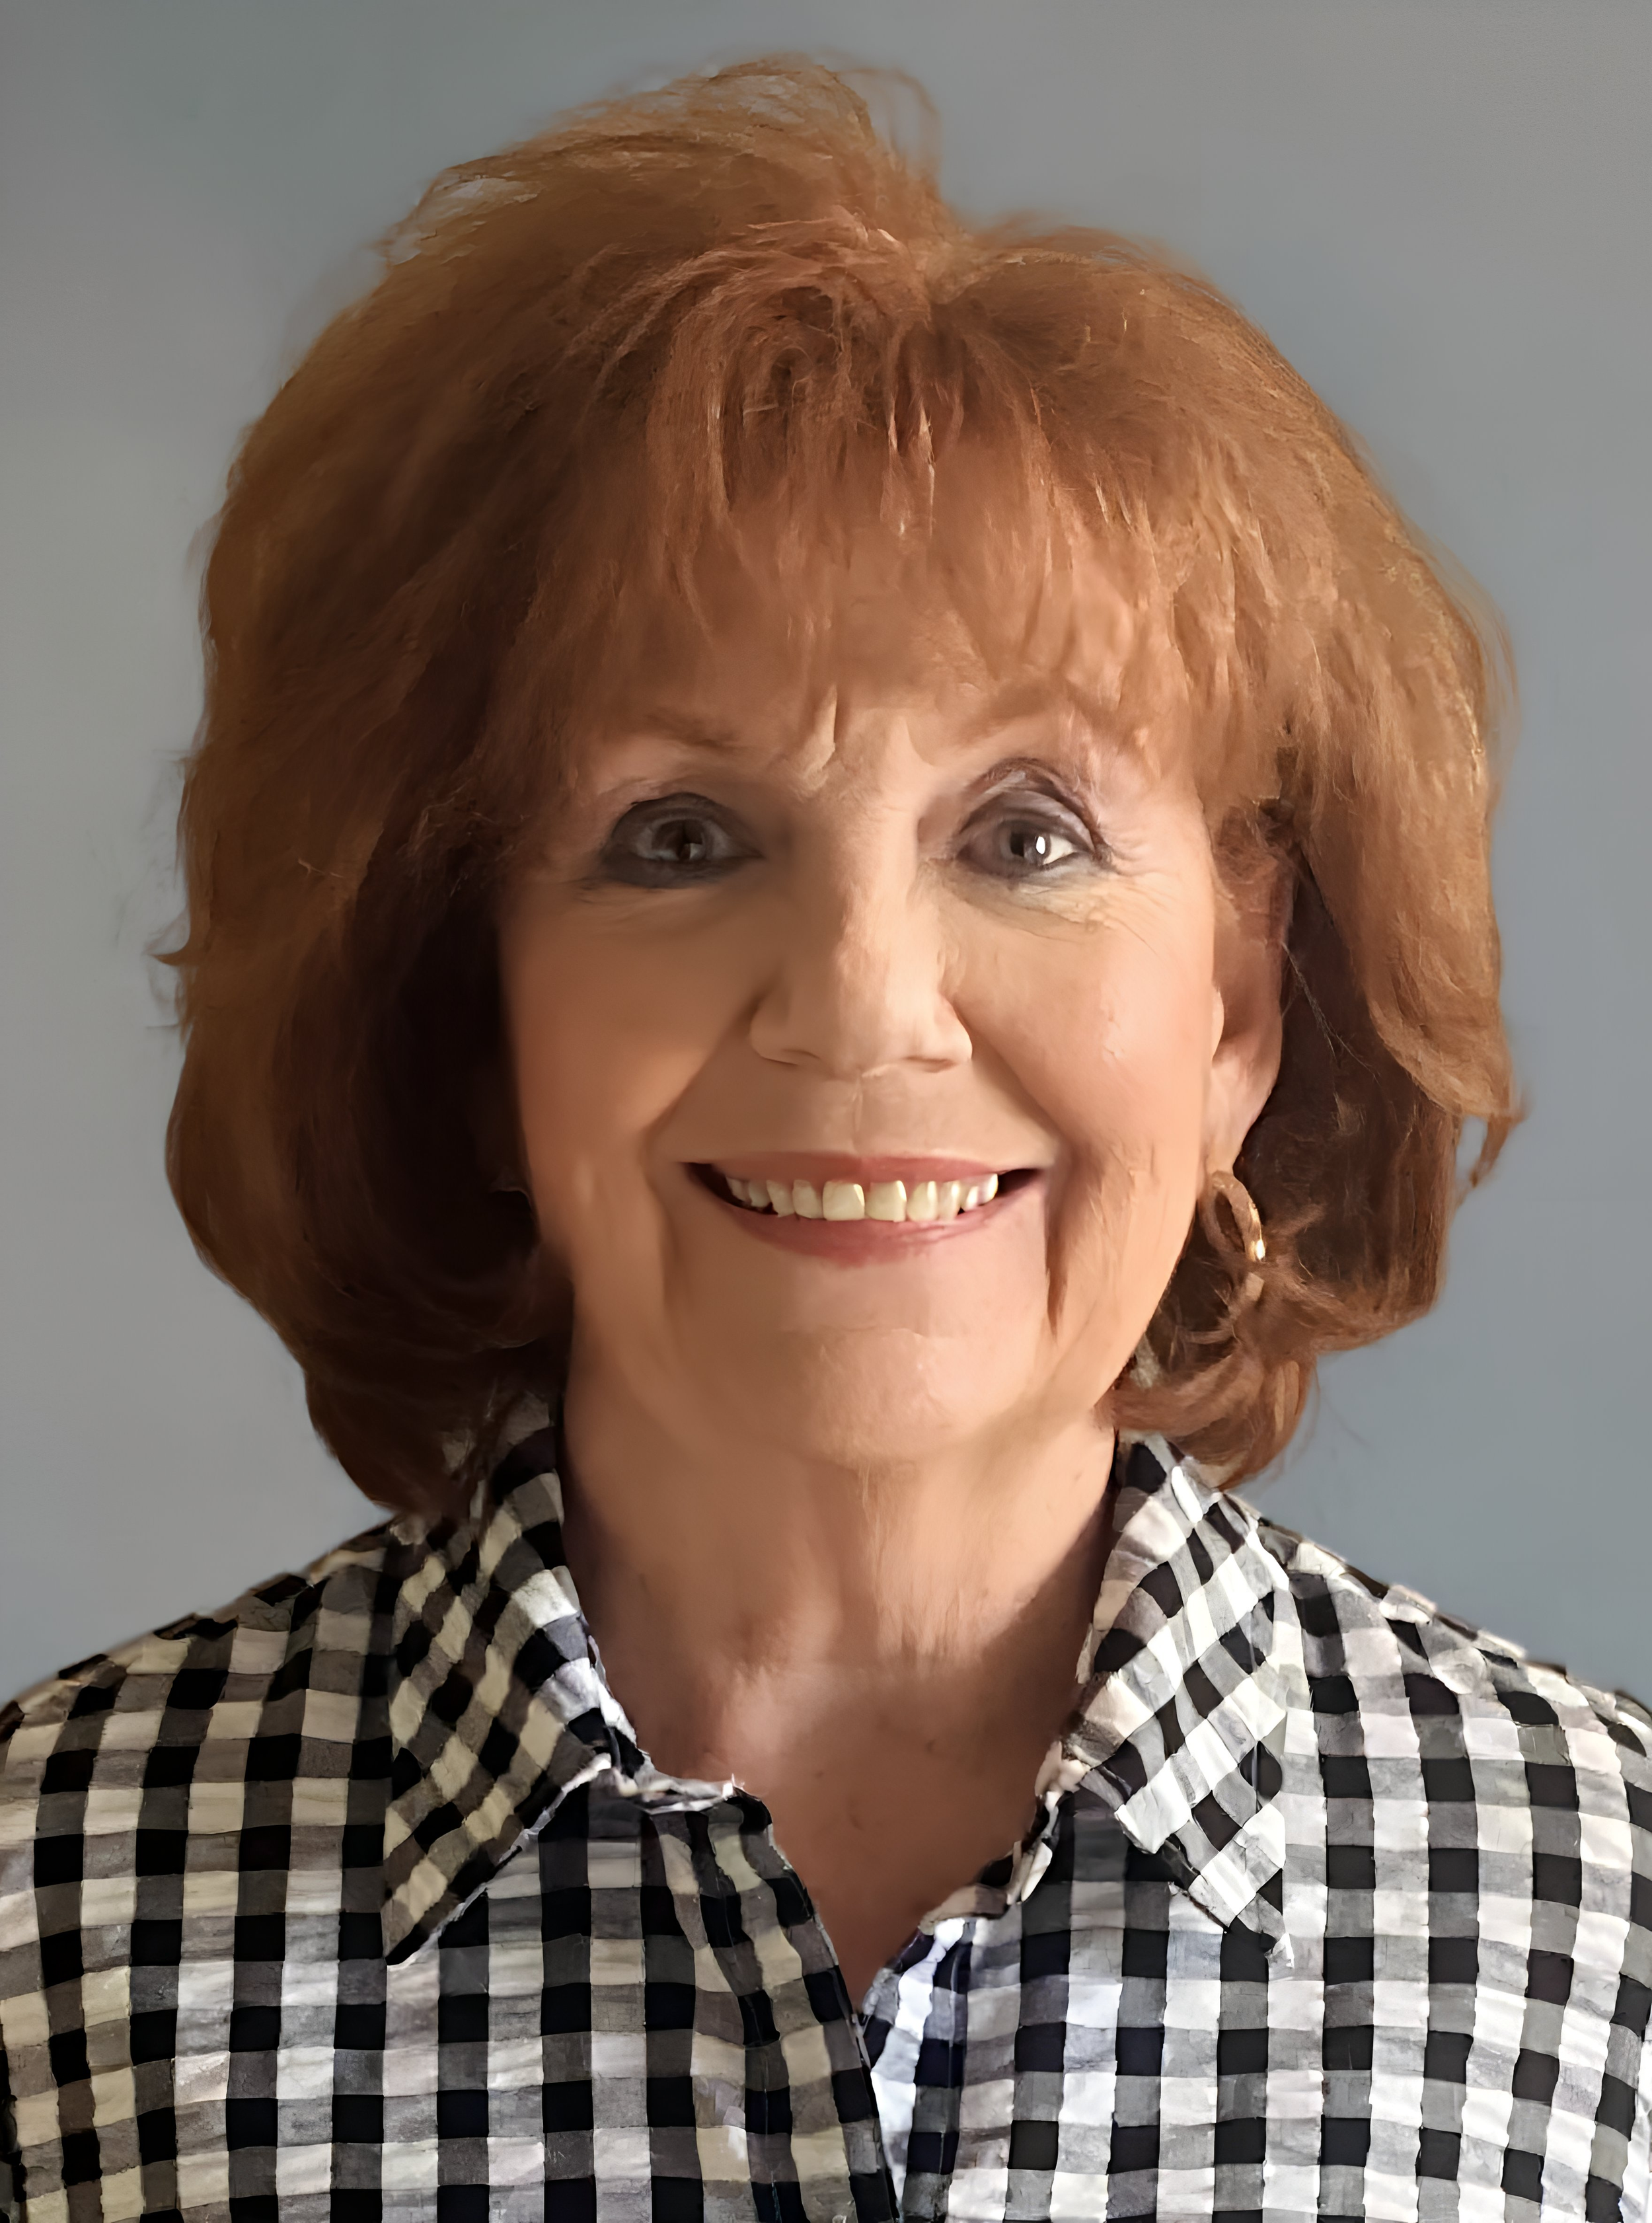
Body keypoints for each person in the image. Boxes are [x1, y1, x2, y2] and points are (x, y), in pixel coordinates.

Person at [1, 54, 1647, 2223]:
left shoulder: (1607, 1921)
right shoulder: (42, 1904)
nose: (863, 1003)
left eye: (1026, 835)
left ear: (1238, 1004)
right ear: (470, 1012)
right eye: (677, 837)